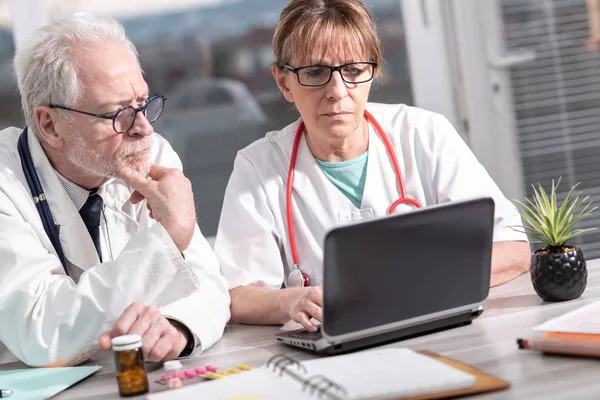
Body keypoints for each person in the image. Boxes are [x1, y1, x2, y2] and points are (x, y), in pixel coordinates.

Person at [214, 0, 530, 332]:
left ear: (374, 71)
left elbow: (514, 248)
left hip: (440, 331)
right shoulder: (259, 166)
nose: (337, 91)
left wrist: (421, 277)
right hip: (334, 351)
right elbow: (238, 294)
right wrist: (290, 301)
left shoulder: (424, 135)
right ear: (283, 83)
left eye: (353, 70)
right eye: (315, 73)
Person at [0, 14, 230, 366]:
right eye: (117, 114)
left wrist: (178, 326)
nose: (143, 128)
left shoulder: (151, 155)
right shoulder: (5, 183)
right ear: (50, 125)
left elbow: (210, 284)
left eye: (143, 103)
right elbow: (42, 331)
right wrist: (168, 239)